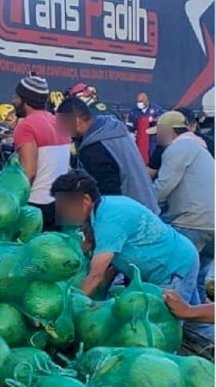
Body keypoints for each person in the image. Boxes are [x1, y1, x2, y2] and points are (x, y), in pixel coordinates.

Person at [51, 170, 199, 301]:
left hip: (173, 269)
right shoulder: (100, 212)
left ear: (85, 200)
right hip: (174, 261)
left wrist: (68, 305)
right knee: (195, 324)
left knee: (165, 325)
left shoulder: (110, 220)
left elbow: (95, 276)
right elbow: (112, 265)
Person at [149, 111, 215, 302]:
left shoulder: (178, 149)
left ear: (169, 131)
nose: (156, 136)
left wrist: (140, 202)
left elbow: (163, 187)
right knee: (197, 280)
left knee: (177, 282)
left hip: (192, 222)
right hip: (210, 223)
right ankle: (201, 329)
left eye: (158, 131)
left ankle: (176, 328)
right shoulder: (199, 147)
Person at [55, 97, 160, 214]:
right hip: (146, 209)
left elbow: (107, 198)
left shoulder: (94, 149)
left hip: (130, 219)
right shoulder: (112, 130)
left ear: (77, 121)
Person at [12, 73, 71, 230]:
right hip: (64, 202)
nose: (13, 101)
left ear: (25, 100)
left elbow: (28, 172)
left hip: (37, 205)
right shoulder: (60, 122)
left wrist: (14, 203)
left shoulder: (26, 126)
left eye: (16, 97)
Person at [129, 91, 165, 158]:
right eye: (138, 102)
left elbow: (163, 119)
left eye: (141, 101)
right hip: (140, 138)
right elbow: (130, 125)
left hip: (153, 137)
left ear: (146, 101)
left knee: (153, 155)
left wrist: (152, 120)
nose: (139, 103)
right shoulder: (133, 111)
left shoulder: (156, 109)